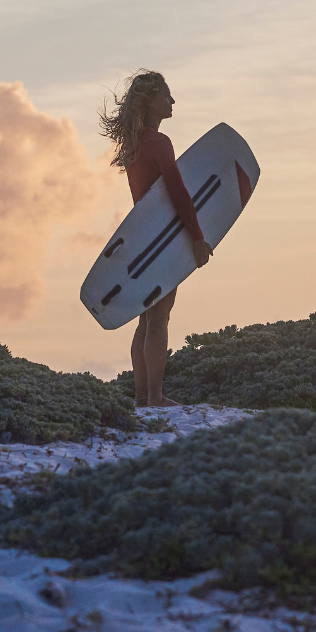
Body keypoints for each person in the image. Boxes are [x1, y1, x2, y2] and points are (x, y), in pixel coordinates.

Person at [98, 70, 211, 408]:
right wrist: (196, 238)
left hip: (141, 240)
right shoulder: (159, 144)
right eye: (167, 96)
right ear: (150, 102)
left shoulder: (134, 145)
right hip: (163, 240)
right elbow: (177, 193)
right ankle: (155, 396)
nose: (172, 102)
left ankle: (141, 396)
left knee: (145, 319)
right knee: (159, 317)